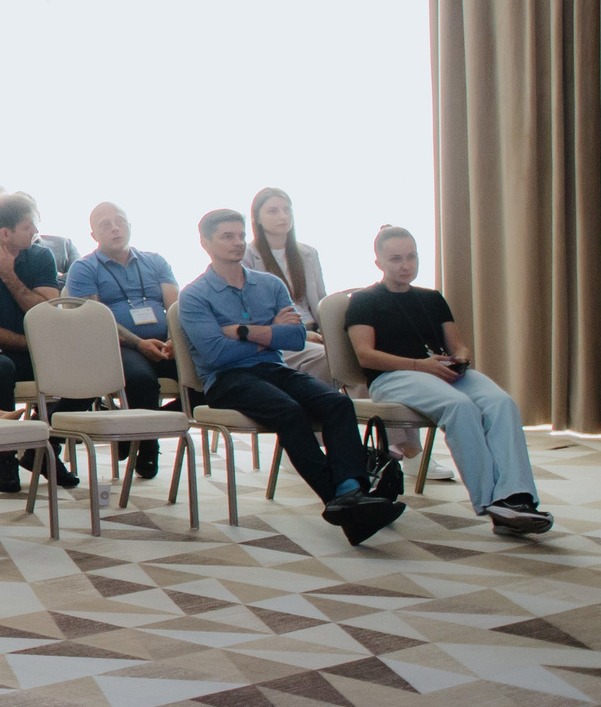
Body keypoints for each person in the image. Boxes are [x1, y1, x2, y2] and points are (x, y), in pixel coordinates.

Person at [181, 208, 401, 545]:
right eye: (227, 236)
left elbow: (296, 338)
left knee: (337, 404)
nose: (238, 242)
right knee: (290, 413)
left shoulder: (269, 285)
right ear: (205, 243)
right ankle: (340, 499)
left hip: (274, 369)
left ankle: (349, 491)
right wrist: (270, 333)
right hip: (226, 380)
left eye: (241, 235)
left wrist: (241, 332)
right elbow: (215, 354)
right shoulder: (195, 295)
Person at [345, 227, 547, 536]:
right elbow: (366, 356)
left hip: (441, 371)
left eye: (411, 257)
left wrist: (460, 359)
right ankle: (493, 502)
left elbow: (459, 345)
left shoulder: (432, 298)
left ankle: (516, 496)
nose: (405, 265)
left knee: (501, 402)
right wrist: (420, 366)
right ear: (379, 263)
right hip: (394, 377)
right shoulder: (364, 300)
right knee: (459, 406)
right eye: (396, 259)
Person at [0, 193, 72, 494]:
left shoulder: (41, 256)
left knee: (76, 368)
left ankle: (42, 449)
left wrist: (9, 276)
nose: (36, 232)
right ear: (5, 234)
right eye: (28, 226)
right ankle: (6, 459)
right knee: (0, 368)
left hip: (31, 349)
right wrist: (32, 344)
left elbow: (47, 311)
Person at [61, 203, 180, 480]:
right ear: (94, 235)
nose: (115, 228)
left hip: (166, 343)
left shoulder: (156, 261)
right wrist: (140, 343)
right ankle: (148, 446)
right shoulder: (85, 268)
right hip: (118, 346)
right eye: (106, 224)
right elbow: (95, 320)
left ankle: (134, 429)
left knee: (208, 381)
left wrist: (174, 339)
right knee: (141, 380)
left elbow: (175, 307)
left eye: (121, 221)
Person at [246, 188, 331, 379]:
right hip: (281, 337)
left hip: (315, 330)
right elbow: (253, 311)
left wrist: (329, 333)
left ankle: (362, 409)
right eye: (273, 211)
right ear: (257, 218)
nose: (283, 216)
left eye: (287, 209)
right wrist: (299, 334)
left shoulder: (308, 253)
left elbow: (320, 299)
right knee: (328, 358)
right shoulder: (247, 257)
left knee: (354, 356)